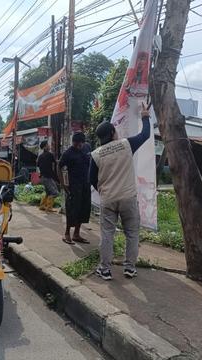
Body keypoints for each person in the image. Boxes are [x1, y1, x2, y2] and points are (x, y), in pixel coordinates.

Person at [90, 103, 151, 280]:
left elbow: (91, 179)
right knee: (132, 233)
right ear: (111, 134)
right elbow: (145, 134)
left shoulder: (96, 154)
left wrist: (103, 190)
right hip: (128, 198)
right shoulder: (126, 145)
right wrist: (145, 115)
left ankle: (105, 269)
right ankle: (129, 268)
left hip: (108, 198)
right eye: (115, 130)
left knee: (107, 233)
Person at [58, 132, 91, 245]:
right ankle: (67, 233)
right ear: (73, 142)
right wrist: (63, 183)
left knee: (83, 209)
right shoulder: (68, 153)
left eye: (80, 143)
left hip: (86, 184)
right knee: (72, 209)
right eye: (76, 143)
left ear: (83, 142)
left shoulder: (87, 148)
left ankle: (76, 234)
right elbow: (59, 166)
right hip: (73, 185)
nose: (78, 146)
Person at [36, 140, 59, 212]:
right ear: (45, 147)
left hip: (42, 177)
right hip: (48, 177)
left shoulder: (40, 156)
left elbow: (38, 165)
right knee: (55, 193)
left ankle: (42, 205)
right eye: (48, 145)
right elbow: (55, 162)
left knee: (48, 192)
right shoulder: (50, 155)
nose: (49, 146)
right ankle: (49, 207)